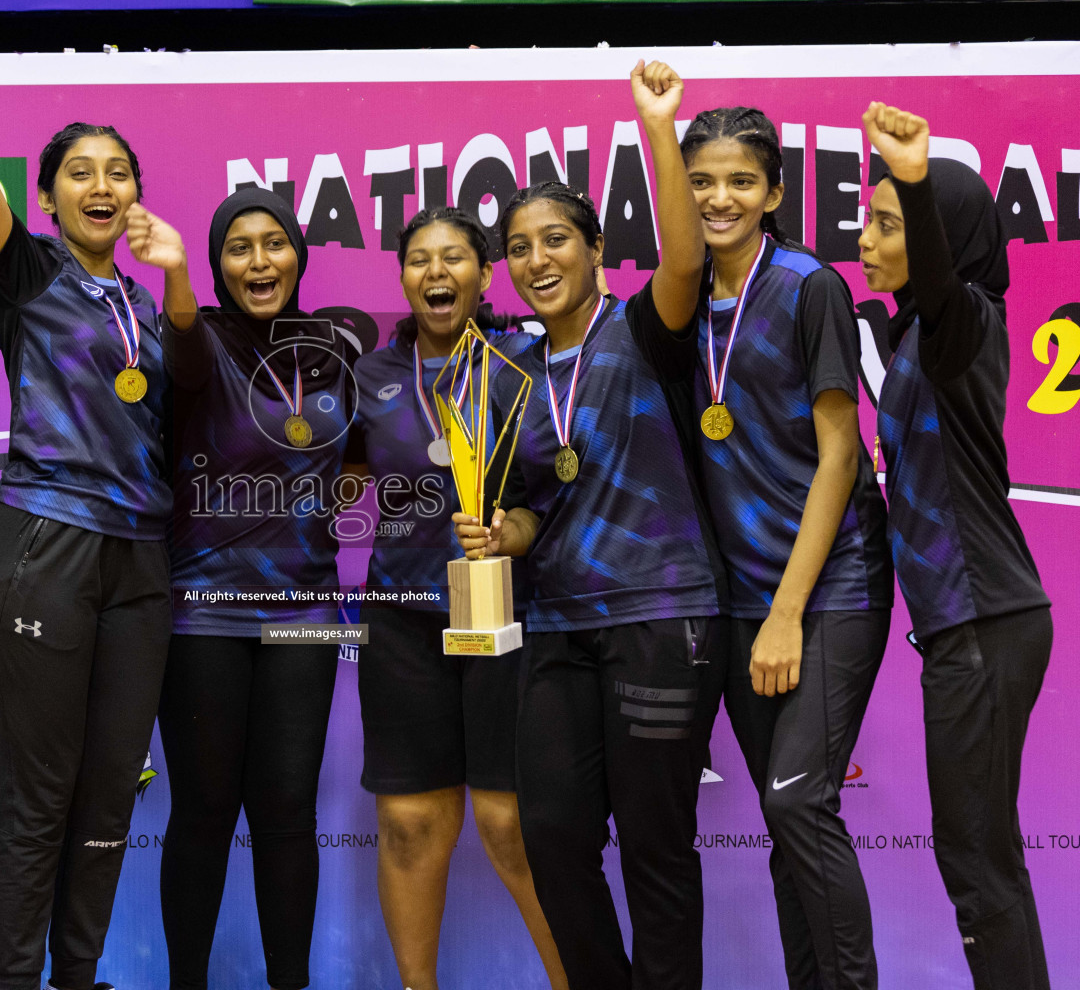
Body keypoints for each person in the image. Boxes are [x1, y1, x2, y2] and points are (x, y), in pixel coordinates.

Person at [0, 0, 197, 988]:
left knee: (108, 793)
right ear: (48, 195)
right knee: (37, 794)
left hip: (141, 558)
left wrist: (176, 280)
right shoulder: (27, 276)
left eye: (117, 170)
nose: (101, 185)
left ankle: (75, 976)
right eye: (80, 171)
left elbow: (184, 393)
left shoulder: (155, 292)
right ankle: (18, 981)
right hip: (42, 543)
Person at [455, 61, 727, 990]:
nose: (537, 261)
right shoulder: (512, 372)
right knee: (555, 837)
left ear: (595, 246)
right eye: (521, 247)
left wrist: (659, 128)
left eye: (556, 239)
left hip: (659, 616)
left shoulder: (647, 327)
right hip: (561, 627)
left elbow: (687, 260)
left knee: (656, 848)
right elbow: (537, 501)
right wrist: (504, 538)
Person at [670, 105, 894, 989]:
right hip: (737, 601)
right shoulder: (678, 297)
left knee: (800, 798)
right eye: (699, 182)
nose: (719, 198)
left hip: (829, 586)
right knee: (785, 827)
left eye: (739, 182)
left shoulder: (810, 286)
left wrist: (787, 614)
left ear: (773, 192)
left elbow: (841, 453)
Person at [341, 206, 564, 990]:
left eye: (456, 259)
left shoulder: (525, 367)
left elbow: (554, 500)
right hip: (401, 621)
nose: (437, 274)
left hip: (510, 615)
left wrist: (514, 534)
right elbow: (338, 479)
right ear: (403, 278)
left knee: (513, 826)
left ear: (484, 272)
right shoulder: (369, 377)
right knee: (407, 824)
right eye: (420, 261)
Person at [859, 103, 1053, 990]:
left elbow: (937, 285)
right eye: (868, 218)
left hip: (984, 620)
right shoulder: (916, 340)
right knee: (982, 858)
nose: (867, 239)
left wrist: (913, 177)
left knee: (975, 863)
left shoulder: (963, 319)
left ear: (943, 236)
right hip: (970, 625)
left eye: (889, 224)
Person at [158, 186, 357, 990]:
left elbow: (366, 451)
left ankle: (289, 983)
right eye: (238, 247)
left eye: (273, 243)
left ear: (298, 255)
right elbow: (179, 342)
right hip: (202, 613)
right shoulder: (197, 340)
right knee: (203, 816)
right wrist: (172, 275)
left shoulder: (336, 349)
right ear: (217, 266)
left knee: (286, 817)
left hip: (306, 614)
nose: (258, 260)